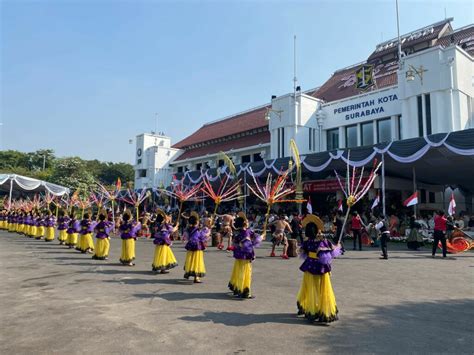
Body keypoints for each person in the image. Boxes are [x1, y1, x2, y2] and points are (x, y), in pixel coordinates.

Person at [297, 214, 340, 323]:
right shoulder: (322, 241)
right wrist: (337, 246)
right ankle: (324, 311)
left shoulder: (307, 242)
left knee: (311, 289)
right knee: (323, 290)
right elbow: (329, 255)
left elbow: (303, 253)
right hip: (321, 267)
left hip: (309, 267)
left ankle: (312, 310)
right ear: (317, 230)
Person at [228, 212, 262, 299]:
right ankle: (243, 290)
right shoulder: (247, 232)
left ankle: (237, 288)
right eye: (247, 221)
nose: (248, 222)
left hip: (239, 256)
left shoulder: (239, 232)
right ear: (244, 223)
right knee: (245, 273)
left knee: (238, 271)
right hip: (245, 256)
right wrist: (261, 238)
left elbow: (235, 243)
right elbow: (249, 245)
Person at [151, 209, 179, 273]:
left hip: (159, 242)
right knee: (163, 255)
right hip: (163, 242)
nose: (169, 217)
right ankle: (162, 268)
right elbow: (171, 230)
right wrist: (176, 226)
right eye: (168, 216)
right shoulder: (165, 225)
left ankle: (157, 265)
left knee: (159, 254)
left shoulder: (159, 224)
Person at [183, 213, 207, 283]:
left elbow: (187, 237)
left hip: (190, 245)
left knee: (190, 259)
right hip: (197, 246)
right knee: (197, 261)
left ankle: (188, 272)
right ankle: (196, 277)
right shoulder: (198, 230)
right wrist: (208, 232)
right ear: (196, 222)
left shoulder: (188, 229)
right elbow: (203, 237)